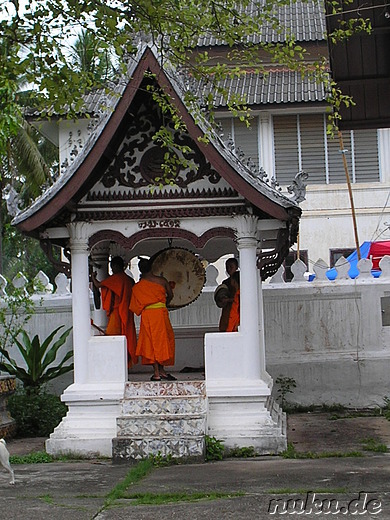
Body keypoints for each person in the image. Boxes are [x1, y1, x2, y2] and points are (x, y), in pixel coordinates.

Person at [130, 257, 176, 381]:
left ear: (140, 269)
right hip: (161, 314)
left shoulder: (137, 287)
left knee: (151, 343)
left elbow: (135, 307)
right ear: (152, 267)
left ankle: (156, 372)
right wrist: (163, 304)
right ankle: (162, 371)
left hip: (148, 316)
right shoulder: (162, 281)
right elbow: (171, 295)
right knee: (163, 341)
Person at [91, 256, 137, 368]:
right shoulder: (129, 280)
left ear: (116, 266)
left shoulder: (117, 278)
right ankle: (126, 365)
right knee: (127, 337)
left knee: (113, 337)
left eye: (112, 267)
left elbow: (98, 285)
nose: (112, 270)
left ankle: (116, 366)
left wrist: (92, 277)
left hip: (117, 313)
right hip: (128, 312)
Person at [214, 257, 239, 332]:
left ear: (236, 267)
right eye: (227, 267)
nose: (229, 269)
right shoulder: (225, 282)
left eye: (231, 266)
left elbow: (241, 298)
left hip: (238, 309)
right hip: (227, 308)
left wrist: (229, 300)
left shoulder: (241, 279)